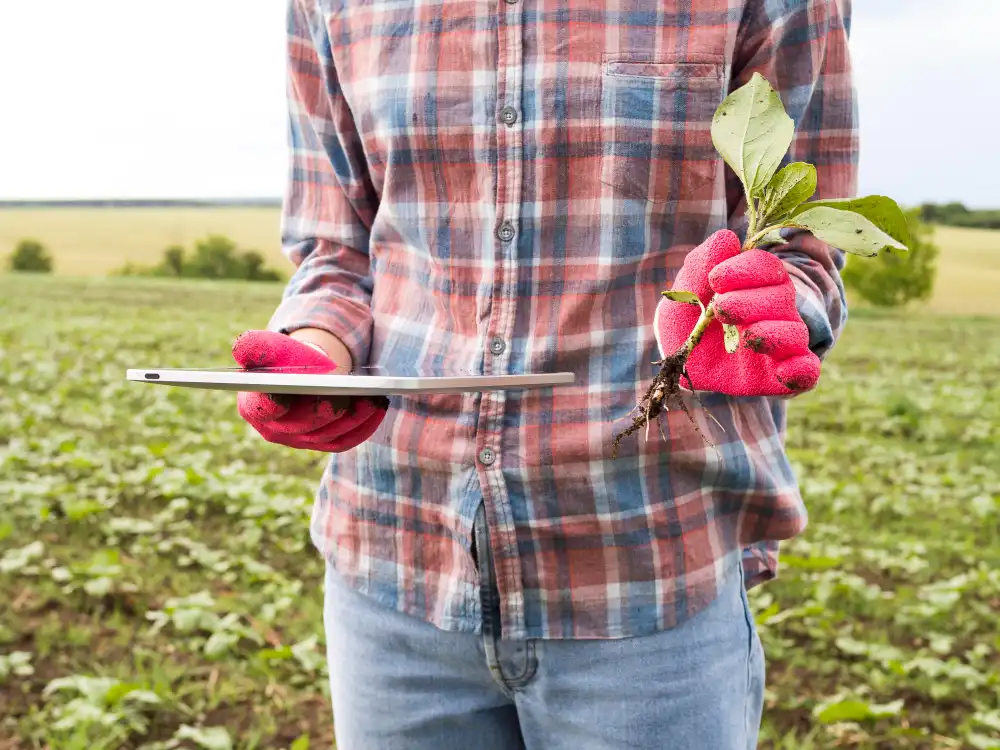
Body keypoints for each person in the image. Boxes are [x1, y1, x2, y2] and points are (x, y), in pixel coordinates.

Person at [233, 0, 857, 747]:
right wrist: (316, 355)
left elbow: (804, 237)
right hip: (393, 564)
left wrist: (766, 309)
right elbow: (335, 250)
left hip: (648, 576)